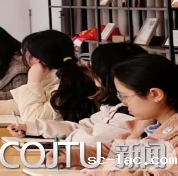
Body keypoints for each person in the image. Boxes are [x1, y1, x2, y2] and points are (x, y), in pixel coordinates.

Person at [47, 54, 178, 174]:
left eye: (125, 96)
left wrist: (103, 171)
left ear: (155, 94)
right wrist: (72, 156)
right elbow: (114, 152)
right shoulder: (146, 126)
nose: (124, 103)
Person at [8, 43, 146, 143]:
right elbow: (82, 126)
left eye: (92, 66)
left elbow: (91, 139)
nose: (89, 70)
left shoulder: (132, 112)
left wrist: (32, 82)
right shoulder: (113, 106)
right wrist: (33, 128)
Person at [0, 30, 96, 122]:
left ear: (37, 59)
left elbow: (33, 118)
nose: (22, 57)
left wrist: (33, 82)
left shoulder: (71, 82)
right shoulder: (57, 74)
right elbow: (25, 103)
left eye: (25, 53)